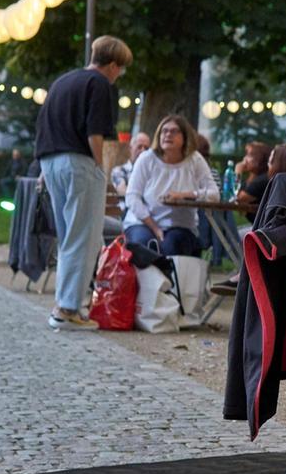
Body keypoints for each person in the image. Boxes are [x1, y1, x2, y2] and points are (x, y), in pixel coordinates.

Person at [35, 35, 131, 331]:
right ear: (113, 64)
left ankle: (63, 304)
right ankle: (69, 309)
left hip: (50, 161)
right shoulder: (99, 84)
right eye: (121, 69)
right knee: (85, 237)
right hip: (79, 162)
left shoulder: (63, 82)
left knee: (68, 237)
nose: (119, 75)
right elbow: (95, 132)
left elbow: (43, 125)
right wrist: (100, 165)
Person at [122, 114, 217, 256]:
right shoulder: (147, 159)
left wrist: (185, 195)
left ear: (185, 137)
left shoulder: (195, 160)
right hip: (142, 222)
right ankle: (151, 279)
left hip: (180, 226)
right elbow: (132, 197)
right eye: (164, 131)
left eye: (174, 131)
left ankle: (169, 279)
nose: (167, 135)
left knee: (171, 245)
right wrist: (155, 228)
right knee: (144, 245)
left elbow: (214, 194)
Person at [109, 132, 151, 212]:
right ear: (130, 148)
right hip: (125, 213)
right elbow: (122, 190)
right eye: (139, 147)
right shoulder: (119, 171)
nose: (143, 151)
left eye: (146, 148)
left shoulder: (151, 173)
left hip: (146, 215)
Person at [233, 141, 272, 208]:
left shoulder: (263, 180)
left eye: (249, 155)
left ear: (260, 159)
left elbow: (237, 198)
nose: (244, 159)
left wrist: (238, 173)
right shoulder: (255, 177)